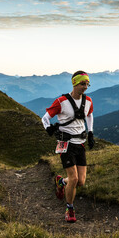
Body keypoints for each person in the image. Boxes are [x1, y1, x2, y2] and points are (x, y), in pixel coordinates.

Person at [41, 71, 95, 223]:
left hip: (80, 143)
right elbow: (45, 118)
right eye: (82, 84)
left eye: (87, 84)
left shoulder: (88, 101)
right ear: (74, 83)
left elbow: (90, 115)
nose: (85, 87)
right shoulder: (61, 101)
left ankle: (61, 182)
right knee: (74, 177)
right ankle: (69, 209)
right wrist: (48, 128)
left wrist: (90, 133)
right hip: (65, 144)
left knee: (81, 181)